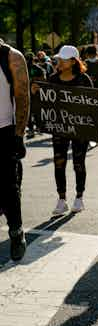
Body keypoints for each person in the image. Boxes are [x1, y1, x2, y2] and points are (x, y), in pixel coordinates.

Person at [42, 46, 94, 216]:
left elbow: (92, 104)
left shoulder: (84, 79)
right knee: (59, 162)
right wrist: (37, 93)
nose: (59, 62)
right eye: (59, 59)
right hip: (59, 128)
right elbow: (46, 101)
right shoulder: (52, 79)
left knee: (78, 162)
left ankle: (79, 197)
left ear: (73, 61)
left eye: (63, 59)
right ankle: (61, 199)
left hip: (79, 129)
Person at [0, 39, 29, 261]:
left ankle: (16, 232)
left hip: (4, 130)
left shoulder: (12, 57)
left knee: (9, 186)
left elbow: (22, 97)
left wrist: (19, 135)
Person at [25, 52, 46, 138]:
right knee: (29, 111)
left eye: (29, 59)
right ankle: (31, 128)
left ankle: (38, 126)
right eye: (27, 59)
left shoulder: (38, 68)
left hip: (36, 92)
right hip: (26, 92)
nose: (28, 61)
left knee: (36, 110)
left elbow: (44, 79)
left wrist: (33, 79)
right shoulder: (23, 68)